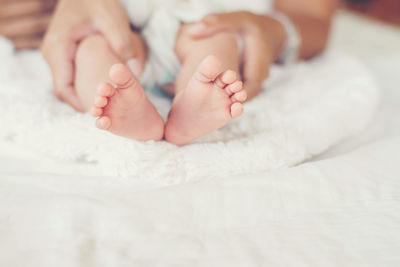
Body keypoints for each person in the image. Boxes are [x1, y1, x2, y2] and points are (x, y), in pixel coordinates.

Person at [1, 0, 337, 145]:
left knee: (216, 44)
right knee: (92, 48)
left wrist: (273, 29)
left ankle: (193, 106)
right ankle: (125, 109)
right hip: (124, 30)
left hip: (200, 25)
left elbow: (315, 19)